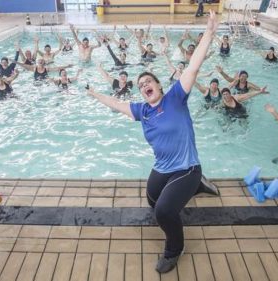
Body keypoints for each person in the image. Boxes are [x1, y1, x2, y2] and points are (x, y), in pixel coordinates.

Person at [86, 10, 219, 273]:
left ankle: (174, 249)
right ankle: (195, 189)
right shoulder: (142, 110)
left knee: (163, 213)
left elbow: (193, 66)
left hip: (187, 167)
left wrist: (210, 32)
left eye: (149, 81)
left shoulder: (175, 97)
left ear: (159, 86)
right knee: (151, 200)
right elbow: (115, 103)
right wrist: (94, 93)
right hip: (163, 166)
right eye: (141, 84)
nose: (145, 84)